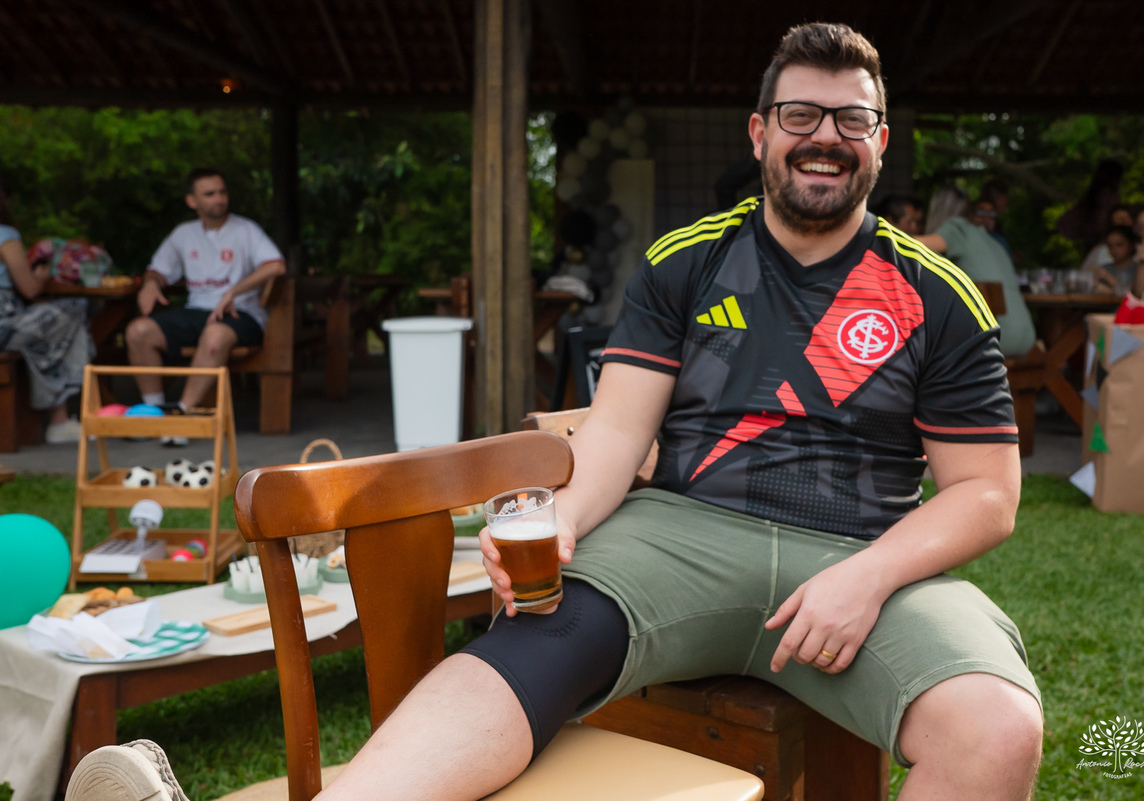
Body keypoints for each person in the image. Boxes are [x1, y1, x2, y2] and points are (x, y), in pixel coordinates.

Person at [69, 23, 1043, 801]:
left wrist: (869, 577)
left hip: (862, 549)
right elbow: (616, 432)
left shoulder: (939, 292)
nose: (824, 137)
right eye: (800, 114)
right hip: (684, 534)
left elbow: (985, 495)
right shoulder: (684, 260)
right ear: (760, 133)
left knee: (997, 733)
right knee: (534, 637)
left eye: (850, 119)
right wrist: (566, 523)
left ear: (879, 141)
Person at [125, 168, 286, 446]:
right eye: (209, 194)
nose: (219, 199)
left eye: (222, 192)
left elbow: (276, 265)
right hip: (197, 311)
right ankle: (155, 415)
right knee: (138, 331)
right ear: (192, 201)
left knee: (214, 335)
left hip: (241, 315)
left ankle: (184, 417)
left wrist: (234, 291)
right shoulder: (183, 234)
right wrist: (151, 283)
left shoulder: (245, 230)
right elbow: (158, 270)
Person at [0, 179, 93, 443]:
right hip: (5, 327)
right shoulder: (5, 236)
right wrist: (41, 275)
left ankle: (61, 420)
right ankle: (60, 419)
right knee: (76, 309)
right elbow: (29, 290)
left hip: (11, 326)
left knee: (48, 338)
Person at [919, 186, 1036, 358]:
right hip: (1026, 337)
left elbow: (912, 246)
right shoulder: (993, 242)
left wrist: (877, 233)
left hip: (997, 338)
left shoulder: (956, 229)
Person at [1091, 225, 1144, 297]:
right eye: (1110, 245)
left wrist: (1109, 279)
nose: (1114, 250)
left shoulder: (1139, 269)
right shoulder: (1105, 268)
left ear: (1131, 245)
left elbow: (1135, 294)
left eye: (1119, 245)